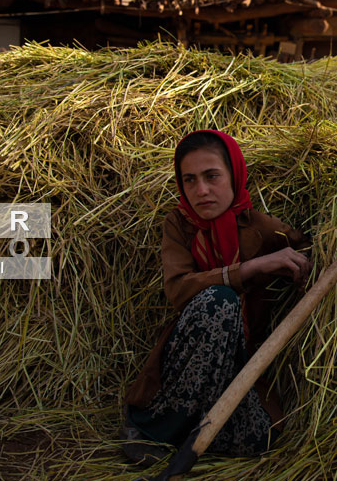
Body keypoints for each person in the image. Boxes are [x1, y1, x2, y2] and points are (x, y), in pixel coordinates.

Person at [121, 130, 312, 464]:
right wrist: (248, 268)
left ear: (234, 174)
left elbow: (306, 254)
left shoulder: (262, 229)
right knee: (218, 302)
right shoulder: (179, 226)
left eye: (212, 177)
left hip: (238, 368)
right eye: (190, 180)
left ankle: (200, 432)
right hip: (188, 365)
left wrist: (302, 270)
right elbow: (179, 289)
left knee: (259, 438)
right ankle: (154, 428)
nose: (201, 191)